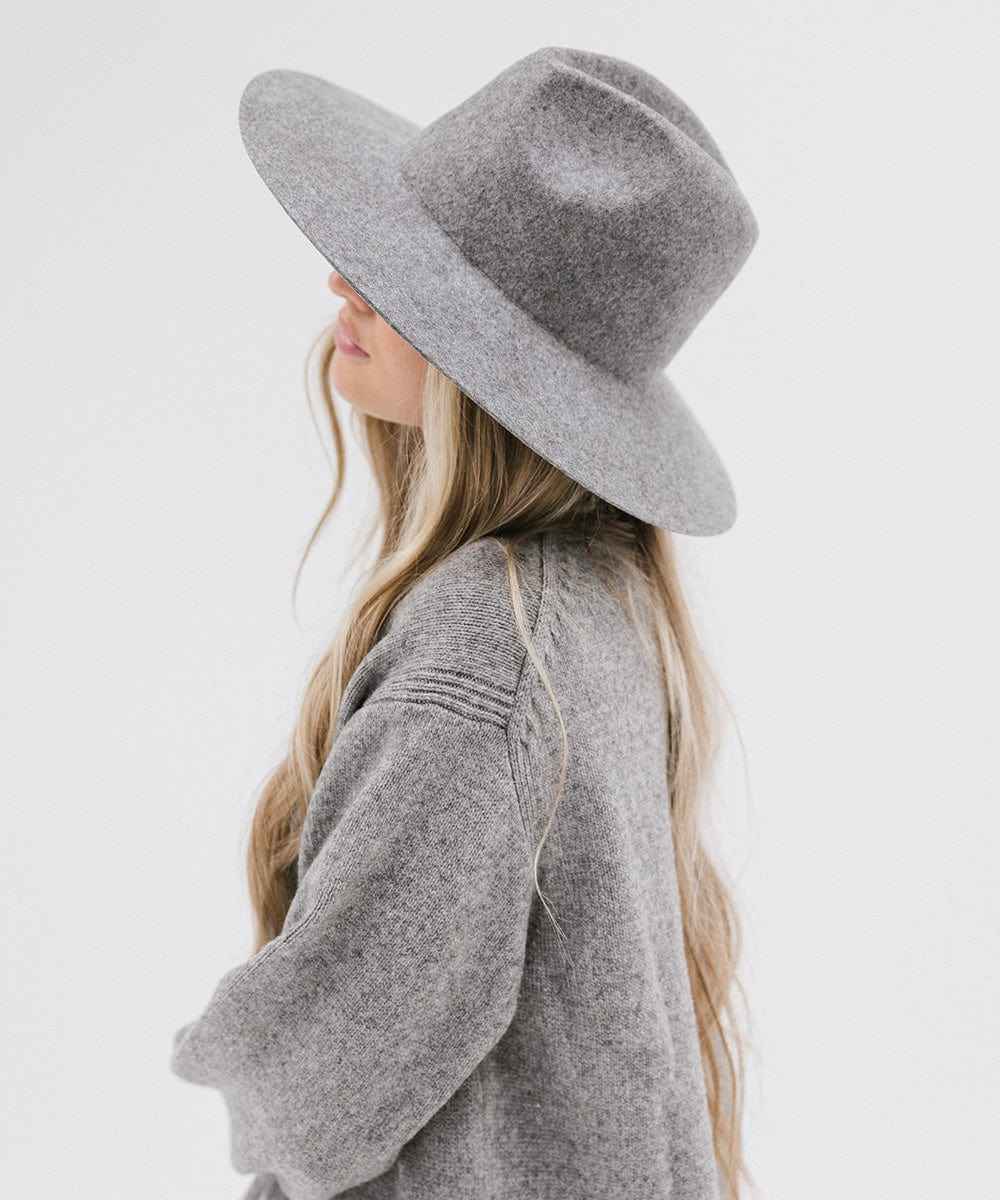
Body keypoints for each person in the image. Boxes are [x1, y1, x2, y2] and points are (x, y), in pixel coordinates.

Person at [170, 45, 760, 1200]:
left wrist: (227, 1062)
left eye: (401, 274)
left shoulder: (489, 653)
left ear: (491, 367)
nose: (343, 283)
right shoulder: (599, 603)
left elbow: (317, 1086)